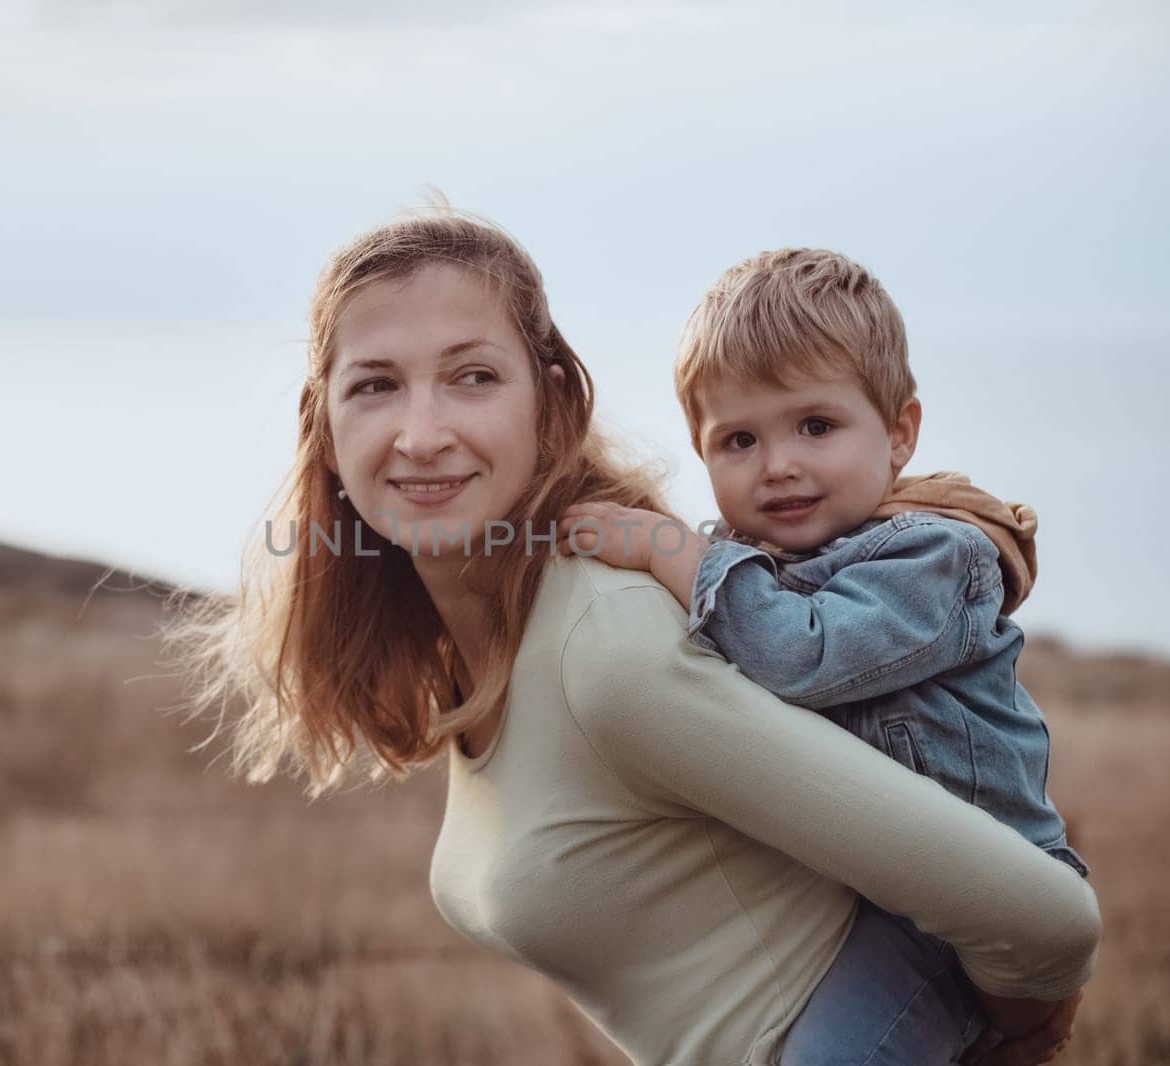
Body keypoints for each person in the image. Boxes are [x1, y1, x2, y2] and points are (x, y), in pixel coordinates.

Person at [171, 207, 1100, 1065]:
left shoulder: (606, 646)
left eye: (473, 377)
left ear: (553, 406)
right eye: (375, 385)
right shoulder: (487, 638)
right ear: (325, 431)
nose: (421, 434)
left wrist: (1011, 1030)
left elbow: (1046, 921)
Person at [557, 248, 1090, 1059]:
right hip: (868, 884)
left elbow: (802, 656)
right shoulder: (757, 563)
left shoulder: (933, 560)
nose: (780, 466)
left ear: (900, 431)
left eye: (816, 425)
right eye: (738, 440)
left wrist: (668, 550)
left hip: (961, 907)